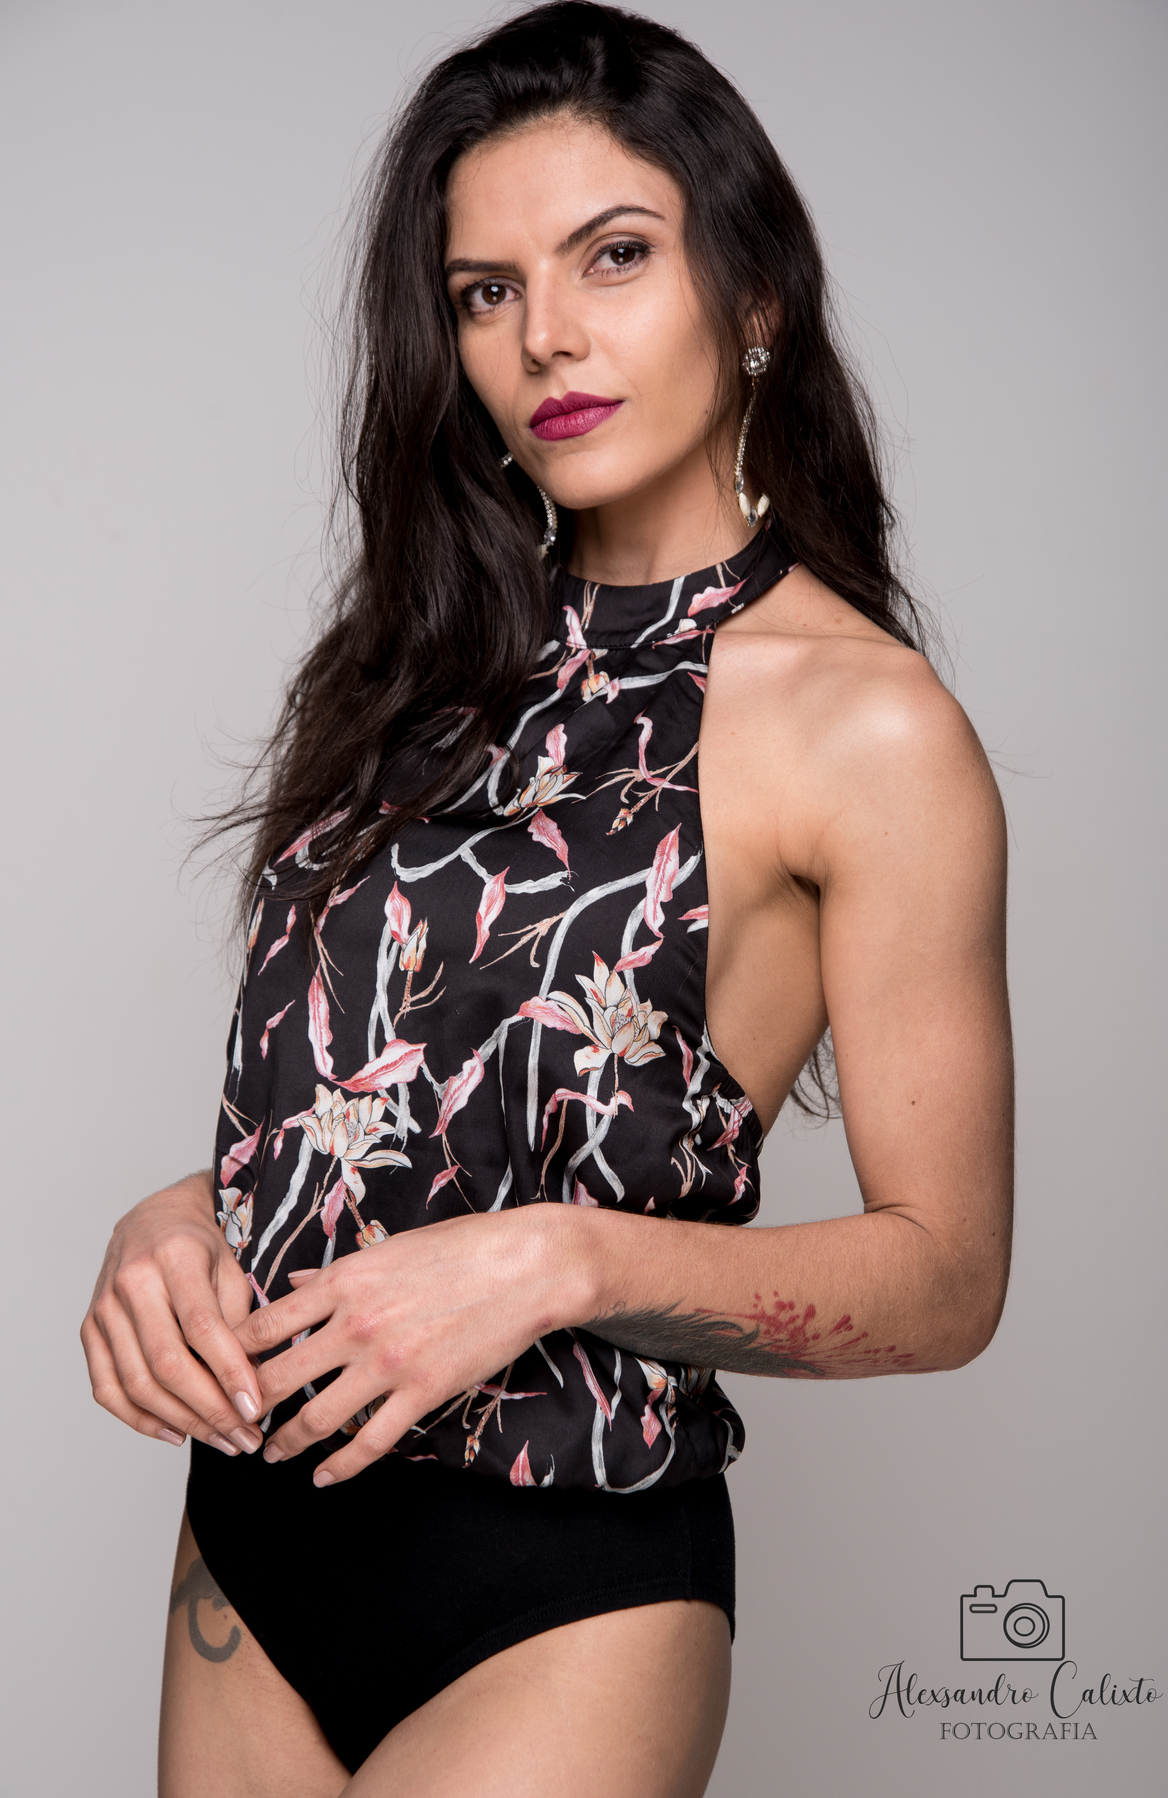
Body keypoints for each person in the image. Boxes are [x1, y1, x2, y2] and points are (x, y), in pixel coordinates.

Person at [80, 5, 1013, 1793]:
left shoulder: (867, 725)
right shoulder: (413, 660)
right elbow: (388, 1085)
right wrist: (178, 1216)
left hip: (561, 1571)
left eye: (616, 256)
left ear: (755, 292)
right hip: (254, 1524)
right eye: (486, 290)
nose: (546, 337)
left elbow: (949, 1277)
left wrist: (564, 1258)